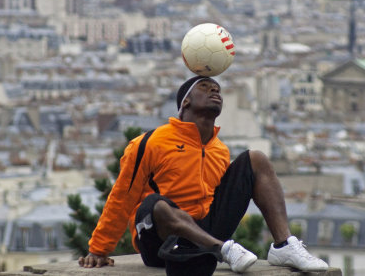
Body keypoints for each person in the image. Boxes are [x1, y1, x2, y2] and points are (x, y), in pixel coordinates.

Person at [78, 76, 329, 274]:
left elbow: (222, 197)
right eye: (206, 87)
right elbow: (122, 196)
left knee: (256, 159)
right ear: (185, 102)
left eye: (218, 89)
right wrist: (99, 249)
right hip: (160, 241)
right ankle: (222, 249)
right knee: (154, 204)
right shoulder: (151, 142)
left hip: (205, 232)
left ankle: (284, 245)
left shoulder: (220, 150)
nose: (215, 92)